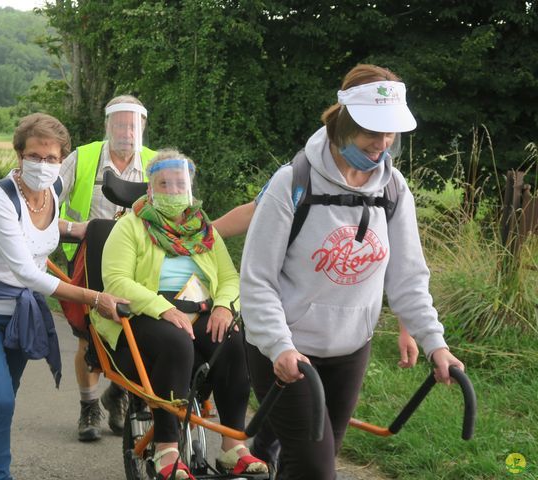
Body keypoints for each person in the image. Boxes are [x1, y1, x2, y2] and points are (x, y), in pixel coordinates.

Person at [239, 64, 465, 480]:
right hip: (288, 349)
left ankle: (267, 449)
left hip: (350, 350)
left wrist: (436, 344)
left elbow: (409, 279)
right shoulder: (293, 183)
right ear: (344, 123)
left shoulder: (393, 190)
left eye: (390, 134)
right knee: (316, 469)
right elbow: (257, 280)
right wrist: (279, 345)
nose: (382, 145)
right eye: (372, 133)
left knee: (311, 463)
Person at [0, 113, 128, 480]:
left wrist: (83, 228)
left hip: (21, 312)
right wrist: (95, 298)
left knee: (7, 394)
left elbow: (46, 221)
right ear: (19, 155)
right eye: (35, 156)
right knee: (0, 398)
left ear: (61, 159)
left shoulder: (53, 191)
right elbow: (26, 271)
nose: (43, 164)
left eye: (52, 158)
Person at [91, 150, 268, 479]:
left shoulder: (203, 231)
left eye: (179, 184)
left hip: (200, 311)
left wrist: (223, 307)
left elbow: (229, 278)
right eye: (164, 184)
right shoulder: (130, 227)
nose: (173, 191)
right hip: (145, 313)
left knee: (232, 340)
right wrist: (164, 308)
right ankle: (166, 449)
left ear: (190, 188)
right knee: (175, 341)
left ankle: (233, 446)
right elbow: (116, 281)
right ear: (151, 189)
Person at [58, 94, 157, 441]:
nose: (126, 130)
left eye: (133, 124)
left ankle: (118, 394)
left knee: (139, 331)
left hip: (142, 264)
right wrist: (73, 229)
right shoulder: (82, 158)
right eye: (119, 122)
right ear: (108, 125)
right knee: (89, 335)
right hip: (91, 257)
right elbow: (42, 207)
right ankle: (89, 407)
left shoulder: (156, 163)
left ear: (142, 127)